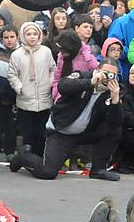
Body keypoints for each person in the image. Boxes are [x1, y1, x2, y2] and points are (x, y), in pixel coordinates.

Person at [37, 32, 122, 181]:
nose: (107, 78)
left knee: (114, 129)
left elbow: (115, 123)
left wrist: (115, 101)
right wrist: (90, 83)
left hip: (85, 132)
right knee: (48, 173)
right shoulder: (83, 76)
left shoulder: (114, 90)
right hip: (62, 130)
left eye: (112, 75)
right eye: (105, 73)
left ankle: (98, 169)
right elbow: (63, 85)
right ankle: (24, 157)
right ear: (97, 70)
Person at [7, 20, 55, 165]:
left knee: (41, 132)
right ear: (23, 36)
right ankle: (27, 159)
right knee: (28, 132)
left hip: (44, 100)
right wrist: (19, 88)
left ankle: (40, 159)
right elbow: (12, 74)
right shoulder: (17, 54)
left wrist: (50, 84)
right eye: (28, 34)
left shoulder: (46, 52)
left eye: (35, 34)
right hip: (25, 100)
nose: (32, 37)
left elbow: (53, 69)